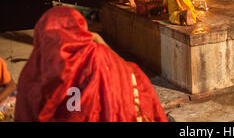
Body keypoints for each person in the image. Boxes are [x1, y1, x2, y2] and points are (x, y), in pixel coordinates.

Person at [14, 6, 168, 122]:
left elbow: (25, 112)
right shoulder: (98, 56)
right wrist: (100, 41)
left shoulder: (32, 74)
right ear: (80, 28)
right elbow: (130, 73)